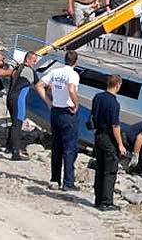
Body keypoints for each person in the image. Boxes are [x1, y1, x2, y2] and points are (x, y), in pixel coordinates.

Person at [36, 50, 80, 191]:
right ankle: (68, 182)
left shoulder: (55, 72)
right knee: (69, 148)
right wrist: (76, 104)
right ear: (75, 62)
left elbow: (39, 85)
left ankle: (55, 178)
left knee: (56, 146)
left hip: (55, 111)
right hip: (67, 112)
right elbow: (72, 90)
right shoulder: (73, 74)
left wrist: (48, 102)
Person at [91, 74, 125, 211]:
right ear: (117, 85)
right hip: (108, 137)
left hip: (98, 134)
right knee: (110, 170)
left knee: (99, 168)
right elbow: (115, 126)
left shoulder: (97, 97)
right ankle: (106, 202)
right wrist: (120, 144)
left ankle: (98, 200)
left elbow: (93, 116)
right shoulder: (114, 103)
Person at [5, 51, 39, 161]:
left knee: (14, 122)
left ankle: (9, 147)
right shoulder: (30, 71)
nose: (35, 63)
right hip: (18, 100)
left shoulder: (17, 68)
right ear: (28, 60)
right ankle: (15, 153)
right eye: (34, 61)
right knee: (17, 124)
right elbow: (39, 84)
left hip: (10, 98)